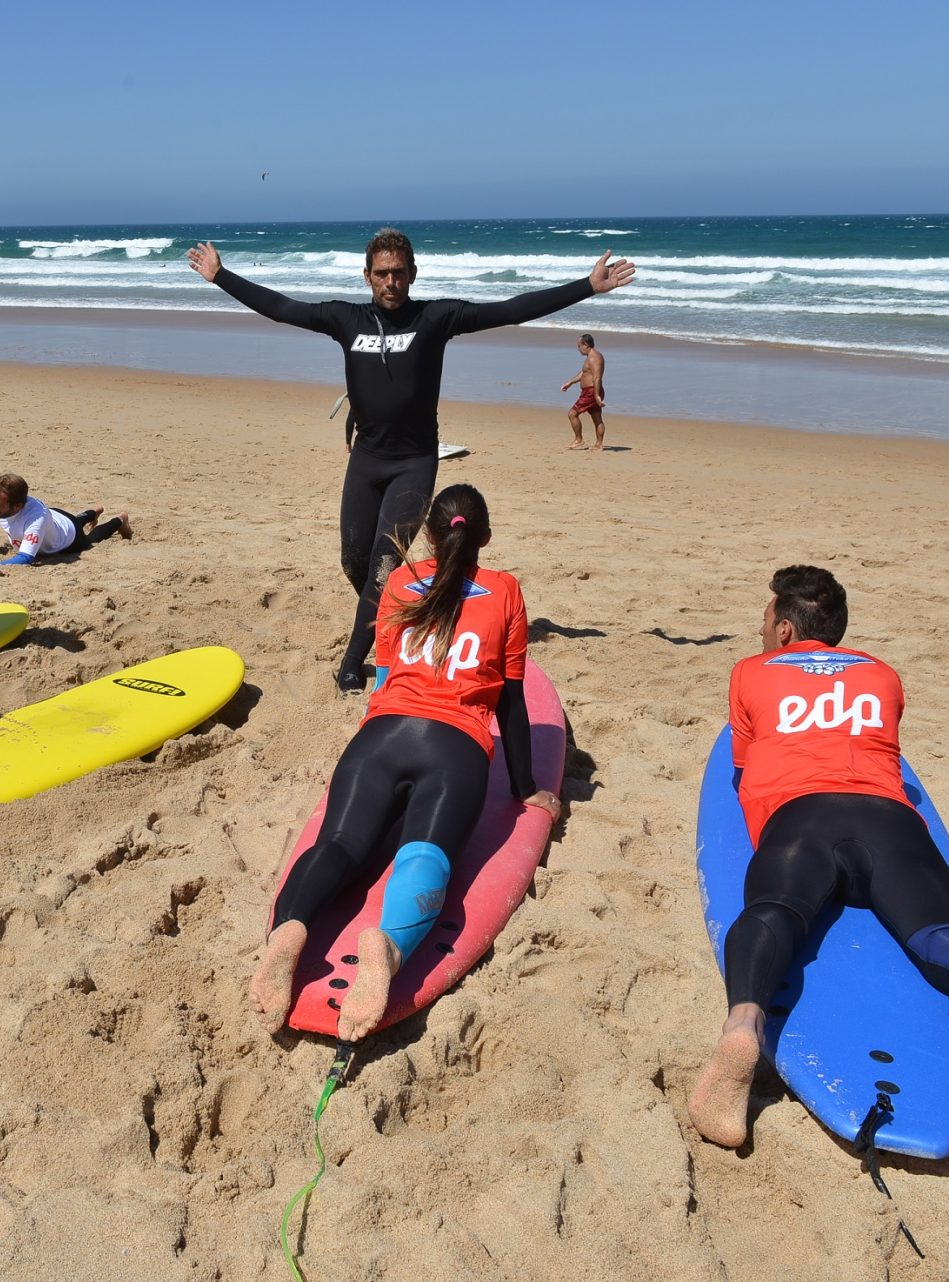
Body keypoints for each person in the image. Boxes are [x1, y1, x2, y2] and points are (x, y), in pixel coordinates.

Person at [687, 565, 949, 1216]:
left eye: (765, 620)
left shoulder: (750, 674)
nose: (759, 629)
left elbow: (744, 769)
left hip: (801, 821)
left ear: (785, 628)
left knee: (777, 912)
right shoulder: (881, 676)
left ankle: (743, 1028)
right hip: (890, 827)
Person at [189, 230, 634, 692]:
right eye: (381, 273)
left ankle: (351, 664)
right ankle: (409, 610)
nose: (391, 282)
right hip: (366, 460)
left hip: (414, 462)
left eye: (399, 273)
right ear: (367, 276)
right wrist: (221, 277)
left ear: (412, 274)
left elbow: (510, 309)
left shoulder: (436, 317)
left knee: (384, 567)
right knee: (355, 563)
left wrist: (586, 286)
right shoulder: (346, 319)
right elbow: (282, 308)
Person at [250, 484, 561, 1042]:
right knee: (426, 853)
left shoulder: (399, 581)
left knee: (340, 844)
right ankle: (387, 947)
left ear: (430, 536)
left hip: (381, 737)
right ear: (483, 538)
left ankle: (289, 934)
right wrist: (526, 788)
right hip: (455, 748)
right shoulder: (506, 590)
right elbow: (511, 701)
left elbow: (386, 679)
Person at [0, 472, 131, 569]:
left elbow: (25, 558)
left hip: (69, 537)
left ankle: (119, 519)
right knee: (76, 519)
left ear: (18, 505)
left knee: (91, 538)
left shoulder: (35, 520)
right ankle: (93, 512)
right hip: (55, 518)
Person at [559, 334, 606, 451]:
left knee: (572, 414)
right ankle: (599, 445)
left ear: (585, 345)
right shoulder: (590, 357)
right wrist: (570, 382)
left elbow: (597, 378)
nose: (578, 349)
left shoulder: (594, 358)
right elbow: (584, 373)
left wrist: (596, 395)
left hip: (591, 392)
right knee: (597, 417)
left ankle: (579, 440)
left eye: (579, 346)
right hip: (590, 391)